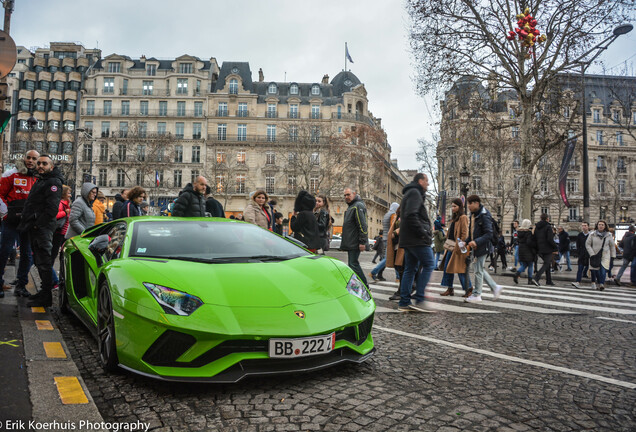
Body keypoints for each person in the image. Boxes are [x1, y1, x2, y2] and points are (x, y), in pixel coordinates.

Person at [17, 155, 64, 307]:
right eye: (39, 163)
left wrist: (37, 224)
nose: (40, 166)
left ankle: (46, 297)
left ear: (51, 166)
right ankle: (44, 293)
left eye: (44, 163)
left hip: (42, 229)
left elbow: (51, 209)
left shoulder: (53, 182)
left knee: (44, 262)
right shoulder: (42, 180)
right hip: (36, 227)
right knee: (39, 261)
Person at [0, 150, 38, 297]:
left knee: (27, 254)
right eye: (28, 157)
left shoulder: (38, 177)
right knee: (4, 250)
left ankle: (21, 285)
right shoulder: (11, 174)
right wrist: (5, 213)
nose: (30, 160)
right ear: (24, 158)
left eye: (34, 158)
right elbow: (0, 194)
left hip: (28, 222)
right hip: (11, 221)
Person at [397, 173, 435, 312]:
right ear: (420, 181)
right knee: (430, 263)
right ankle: (419, 298)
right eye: (426, 181)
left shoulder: (410, 193)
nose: (428, 184)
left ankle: (404, 302)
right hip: (416, 238)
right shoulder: (415, 193)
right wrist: (423, 233)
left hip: (408, 238)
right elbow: (411, 215)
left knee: (410, 269)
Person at [464, 195, 502, 303]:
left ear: (476, 203)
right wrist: (466, 242)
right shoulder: (474, 214)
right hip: (477, 245)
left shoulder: (484, 215)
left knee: (478, 270)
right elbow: (472, 233)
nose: (468, 206)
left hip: (483, 246)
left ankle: (477, 294)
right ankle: (495, 287)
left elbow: (489, 234)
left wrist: (476, 241)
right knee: (479, 269)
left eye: (470, 204)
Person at [439, 198, 471, 297]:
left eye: (455, 206)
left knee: (460, 269)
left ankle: (469, 289)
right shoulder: (454, 218)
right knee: (447, 267)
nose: (452, 208)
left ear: (459, 207)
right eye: (452, 206)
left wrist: (461, 244)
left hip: (458, 247)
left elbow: (464, 233)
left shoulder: (463, 217)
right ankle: (450, 288)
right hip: (451, 246)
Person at [341, 187, 368, 286]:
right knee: (352, 264)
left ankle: (364, 285)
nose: (346, 197)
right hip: (352, 241)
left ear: (354, 193)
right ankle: (356, 285)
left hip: (355, 241)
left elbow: (362, 224)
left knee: (353, 264)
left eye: (348, 194)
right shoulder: (352, 206)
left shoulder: (357, 206)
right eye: (345, 195)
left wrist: (362, 241)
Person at [370, 202, 399, 282]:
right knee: (388, 258)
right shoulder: (393, 215)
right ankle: (374, 272)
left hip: (385, 238)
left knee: (392, 257)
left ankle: (397, 277)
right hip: (390, 238)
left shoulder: (386, 214)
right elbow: (392, 226)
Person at [585, 220, 615, 291]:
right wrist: (591, 253)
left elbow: (612, 246)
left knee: (603, 270)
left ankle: (601, 283)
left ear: (605, 226)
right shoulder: (592, 234)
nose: (601, 226)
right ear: (597, 226)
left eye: (602, 225)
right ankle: (595, 283)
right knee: (595, 270)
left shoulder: (609, 235)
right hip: (594, 255)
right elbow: (587, 244)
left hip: (605, 255)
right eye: (599, 224)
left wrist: (613, 256)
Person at [51, 185, 71, 289]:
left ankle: (53, 280)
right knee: (51, 258)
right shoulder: (61, 204)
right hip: (58, 233)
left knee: (54, 257)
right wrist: (65, 212)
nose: (70, 195)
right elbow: (54, 216)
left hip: (62, 233)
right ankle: (54, 281)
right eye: (68, 193)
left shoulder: (66, 203)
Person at [532, 213, 557, 287]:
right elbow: (550, 239)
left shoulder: (537, 227)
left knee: (548, 264)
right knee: (546, 263)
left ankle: (548, 280)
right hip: (547, 248)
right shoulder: (548, 226)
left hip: (539, 248)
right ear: (547, 219)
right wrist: (555, 247)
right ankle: (536, 278)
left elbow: (535, 237)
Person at [385, 206, 404, 300]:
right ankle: (402, 290)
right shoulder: (397, 215)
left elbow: (404, 227)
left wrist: (395, 232)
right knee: (399, 268)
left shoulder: (407, 214)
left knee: (402, 269)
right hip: (397, 245)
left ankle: (402, 291)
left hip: (403, 246)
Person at [512, 219, 536, 285]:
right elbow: (529, 242)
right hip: (528, 250)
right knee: (530, 264)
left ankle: (517, 274)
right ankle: (530, 280)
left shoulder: (519, 232)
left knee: (524, 265)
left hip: (521, 249)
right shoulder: (528, 233)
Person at [572, 222, 590, 289]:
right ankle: (578, 281)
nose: (584, 227)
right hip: (582, 254)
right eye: (582, 226)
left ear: (588, 226)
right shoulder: (580, 235)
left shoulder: (591, 235)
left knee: (592, 269)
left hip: (589, 254)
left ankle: (594, 282)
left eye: (585, 225)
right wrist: (579, 253)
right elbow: (578, 245)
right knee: (580, 268)